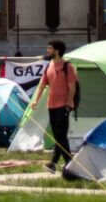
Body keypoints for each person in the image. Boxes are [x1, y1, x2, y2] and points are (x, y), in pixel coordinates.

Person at [30, 39, 78, 174]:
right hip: (51, 106)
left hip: (64, 106)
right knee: (59, 136)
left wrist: (68, 105)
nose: (47, 51)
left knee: (59, 135)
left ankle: (53, 163)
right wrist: (35, 100)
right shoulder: (48, 67)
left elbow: (72, 88)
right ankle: (70, 163)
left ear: (57, 51)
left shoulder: (67, 66)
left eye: (50, 48)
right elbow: (41, 85)